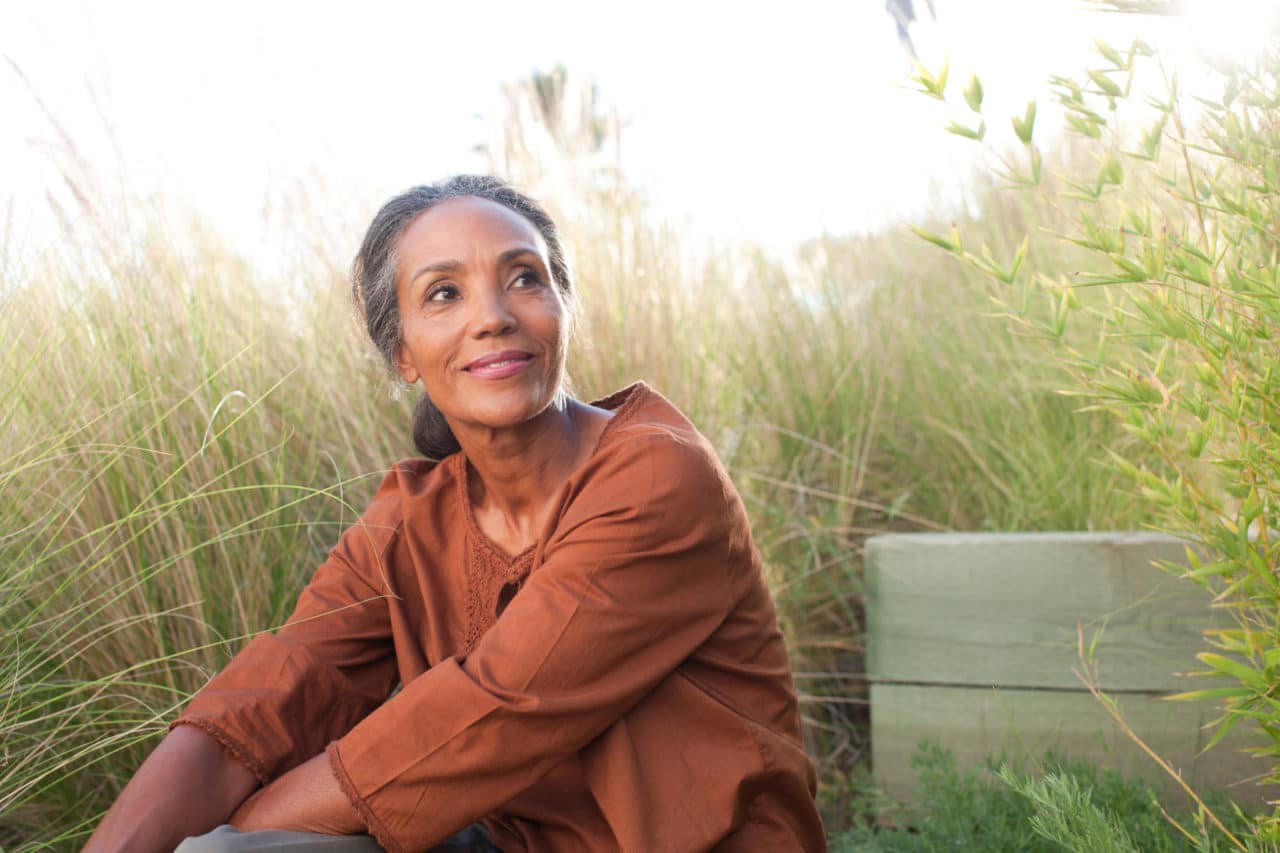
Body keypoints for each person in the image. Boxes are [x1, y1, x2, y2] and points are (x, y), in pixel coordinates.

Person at [85, 175, 826, 853]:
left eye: (524, 278)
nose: (493, 317)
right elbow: (272, 697)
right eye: (444, 293)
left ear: (563, 309)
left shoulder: (655, 474)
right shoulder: (411, 522)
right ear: (403, 353)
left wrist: (234, 835)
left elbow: (494, 711)